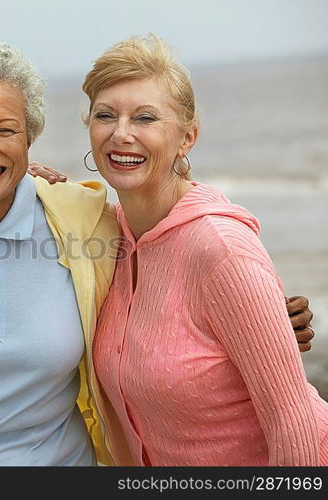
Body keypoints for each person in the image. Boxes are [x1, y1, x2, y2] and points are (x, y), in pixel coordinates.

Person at [0, 37, 315, 465]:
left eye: (5, 131)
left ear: (30, 138)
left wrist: (259, 319)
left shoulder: (84, 223)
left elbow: (189, 255)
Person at [34, 34, 327, 466]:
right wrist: (28, 186)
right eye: (105, 115)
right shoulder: (110, 237)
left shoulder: (220, 249)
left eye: (146, 118)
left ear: (187, 138)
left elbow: (293, 422)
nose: (121, 134)